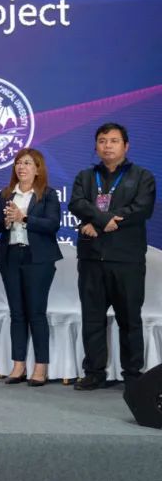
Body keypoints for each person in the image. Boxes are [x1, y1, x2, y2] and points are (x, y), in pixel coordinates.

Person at [69, 122, 156, 391]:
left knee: (129, 319)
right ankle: (94, 372)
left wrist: (99, 222)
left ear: (126, 146)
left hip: (126, 260)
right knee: (92, 318)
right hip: (91, 259)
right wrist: (103, 220)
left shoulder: (142, 176)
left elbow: (141, 208)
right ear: (96, 146)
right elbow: (77, 203)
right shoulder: (85, 176)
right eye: (102, 141)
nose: (107, 145)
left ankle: (133, 375)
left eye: (114, 141)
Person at [0, 148, 61, 386]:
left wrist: (25, 218)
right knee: (17, 313)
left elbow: (52, 224)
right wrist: (5, 221)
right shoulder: (6, 194)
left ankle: (40, 366)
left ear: (38, 169)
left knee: (36, 313)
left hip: (38, 259)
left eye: (28, 163)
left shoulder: (47, 194)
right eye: (19, 163)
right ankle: (18, 365)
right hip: (10, 257)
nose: (22, 167)